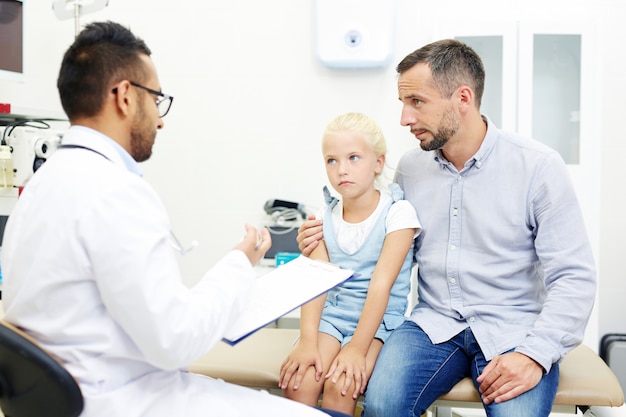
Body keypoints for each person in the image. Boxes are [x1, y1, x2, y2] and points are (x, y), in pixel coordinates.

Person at [0, 21, 349, 417]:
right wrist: (239, 265)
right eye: (157, 99)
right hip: (123, 401)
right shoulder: (116, 192)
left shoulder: (41, 185)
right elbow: (176, 340)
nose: (161, 119)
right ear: (125, 97)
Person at [297, 39, 597, 417]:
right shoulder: (410, 169)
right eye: (403, 104)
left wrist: (534, 355)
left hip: (513, 331)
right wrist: (323, 235)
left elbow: (574, 278)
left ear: (463, 98)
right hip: (432, 325)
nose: (404, 119)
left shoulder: (538, 167)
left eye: (416, 102)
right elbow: (377, 242)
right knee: (383, 403)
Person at [279, 112, 421, 416]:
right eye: (332, 160)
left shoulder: (399, 214)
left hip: (380, 322)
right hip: (335, 316)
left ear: (378, 163)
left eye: (354, 158)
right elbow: (316, 282)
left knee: (341, 385)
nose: (342, 169)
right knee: (299, 380)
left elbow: (381, 287)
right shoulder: (323, 216)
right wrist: (307, 341)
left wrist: (356, 349)